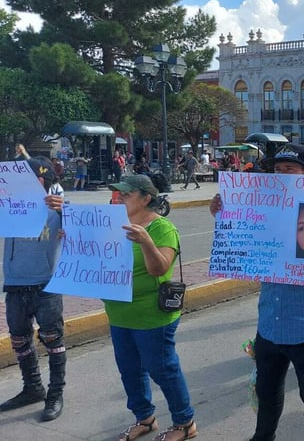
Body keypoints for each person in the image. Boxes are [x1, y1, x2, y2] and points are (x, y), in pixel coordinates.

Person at [210, 144, 304, 441]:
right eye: (277, 170)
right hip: (270, 321)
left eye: (290, 170)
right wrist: (226, 216)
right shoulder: (266, 208)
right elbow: (243, 248)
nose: (281, 176)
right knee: (267, 392)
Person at [106, 175, 197, 441]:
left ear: (146, 198)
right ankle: (144, 418)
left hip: (152, 315)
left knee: (163, 369)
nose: (119, 197)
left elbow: (159, 269)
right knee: (129, 369)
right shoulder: (113, 224)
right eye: (118, 193)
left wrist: (145, 241)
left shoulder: (162, 228)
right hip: (119, 312)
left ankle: (185, 422)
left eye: (126, 193)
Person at [0, 158, 66, 422]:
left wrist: (64, 213)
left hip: (46, 285)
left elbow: (87, 232)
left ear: (43, 182)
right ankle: (32, 387)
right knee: (19, 339)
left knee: (53, 341)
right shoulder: (8, 206)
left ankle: (55, 394)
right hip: (15, 284)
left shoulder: (59, 209)